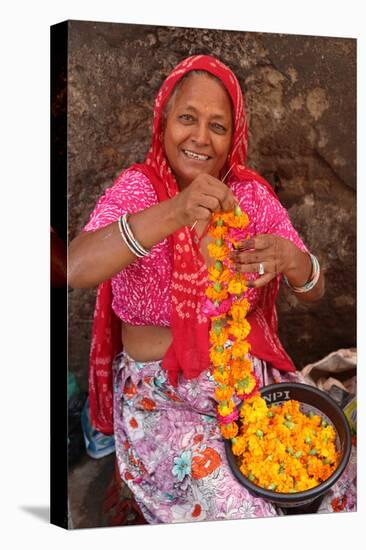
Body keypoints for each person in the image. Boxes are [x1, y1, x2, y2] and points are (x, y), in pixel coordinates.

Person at [68, 55, 356, 523]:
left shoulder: (249, 196)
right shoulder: (140, 191)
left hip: (247, 384)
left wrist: (293, 259)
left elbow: (314, 291)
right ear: (163, 125)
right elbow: (78, 267)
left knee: (342, 477)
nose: (200, 137)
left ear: (233, 136)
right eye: (187, 119)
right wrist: (177, 211)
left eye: (217, 125)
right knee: (243, 513)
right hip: (163, 398)